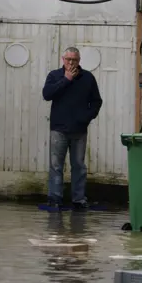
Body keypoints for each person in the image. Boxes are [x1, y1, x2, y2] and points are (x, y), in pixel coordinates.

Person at [42, 47, 102, 210]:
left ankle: (78, 199)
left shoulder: (88, 78)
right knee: (56, 165)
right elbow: (47, 94)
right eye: (68, 59)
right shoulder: (55, 76)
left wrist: (86, 118)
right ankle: (55, 198)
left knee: (79, 166)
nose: (70, 62)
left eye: (74, 60)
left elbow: (96, 101)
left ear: (79, 60)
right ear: (63, 60)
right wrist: (66, 79)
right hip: (58, 129)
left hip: (79, 130)